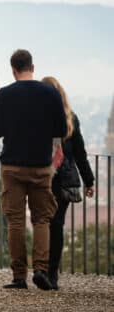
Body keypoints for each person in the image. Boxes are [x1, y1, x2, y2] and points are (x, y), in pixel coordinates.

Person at [0, 49, 66, 290]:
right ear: (33, 67)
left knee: (15, 221)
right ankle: (41, 270)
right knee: (42, 218)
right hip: (41, 166)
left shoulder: (4, 94)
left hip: (12, 166)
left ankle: (19, 276)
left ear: (13, 70)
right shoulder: (50, 93)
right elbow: (62, 129)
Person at [41, 76, 95, 290]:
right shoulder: (70, 118)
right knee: (56, 225)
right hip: (64, 179)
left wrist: (89, 180)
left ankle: (43, 270)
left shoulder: (38, 119)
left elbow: (80, 152)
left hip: (44, 178)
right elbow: (80, 153)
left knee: (43, 224)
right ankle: (51, 273)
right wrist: (88, 180)